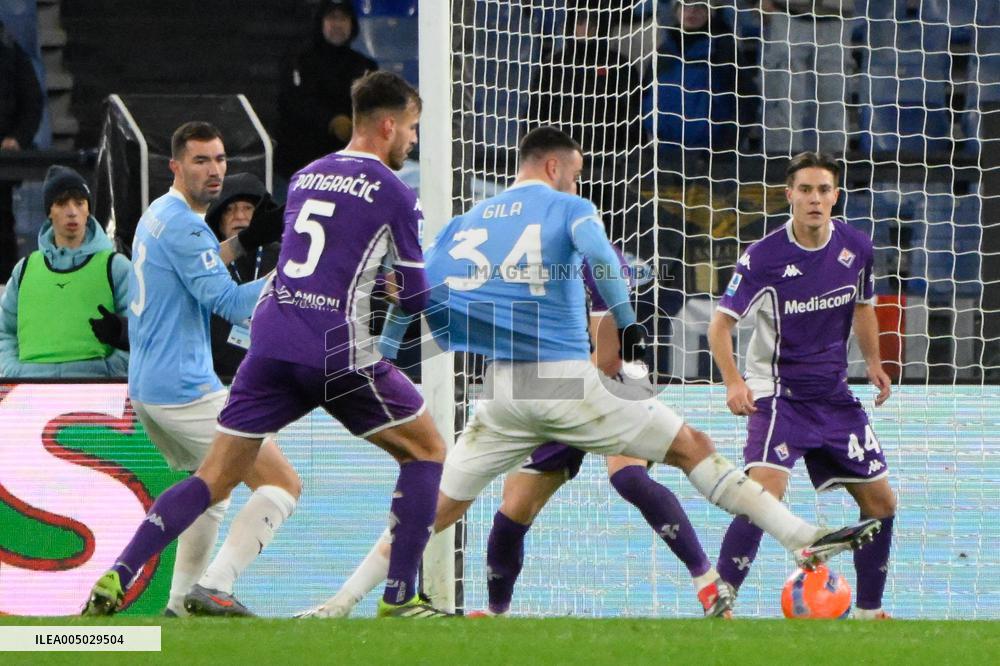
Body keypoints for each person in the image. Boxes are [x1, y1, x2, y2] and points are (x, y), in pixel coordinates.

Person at [299, 126, 881, 618]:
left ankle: (340, 603)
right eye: (575, 174)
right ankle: (799, 537)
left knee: (442, 506)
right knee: (689, 446)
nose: (577, 185)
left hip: (500, 389)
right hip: (560, 380)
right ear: (554, 167)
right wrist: (629, 326)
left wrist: (383, 352)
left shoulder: (467, 220)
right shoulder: (567, 208)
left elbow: (413, 296)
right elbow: (604, 262)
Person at [84, 72, 451, 619]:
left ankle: (124, 572)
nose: (414, 142)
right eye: (413, 129)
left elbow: (301, 266)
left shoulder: (305, 176)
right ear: (390, 124)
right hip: (333, 350)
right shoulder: (396, 192)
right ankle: (400, 597)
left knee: (213, 479)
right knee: (427, 451)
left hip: (270, 346)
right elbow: (417, 297)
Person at [298, 249, 727, 619]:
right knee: (507, 511)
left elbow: (608, 353)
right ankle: (486, 613)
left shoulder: (595, 258)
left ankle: (708, 582)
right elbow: (437, 311)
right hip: (544, 391)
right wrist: (406, 307)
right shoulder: (510, 267)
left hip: (603, 379)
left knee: (628, 476)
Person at [81, 121, 298, 618]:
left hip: (151, 385)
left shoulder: (161, 215)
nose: (215, 170)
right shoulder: (186, 224)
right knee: (282, 484)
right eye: (201, 160)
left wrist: (242, 246)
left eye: (220, 159)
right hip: (184, 387)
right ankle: (202, 584)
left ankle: (178, 604)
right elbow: (229, 302)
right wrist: (290, 271)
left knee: (213, 492)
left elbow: (194, 267)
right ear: (175, 166)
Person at [709, 152, 896, 620]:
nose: (815, 199)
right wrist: (733, 382)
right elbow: (719, 326)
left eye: (824, 190)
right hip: (778, 395)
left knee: (881, 502)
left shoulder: (856, 246)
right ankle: (720, 601)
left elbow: (863, 307)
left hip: (832, 395)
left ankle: (871, 613)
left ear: (836, 196)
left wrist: (874, 363)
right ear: (789, 194)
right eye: (806, 190)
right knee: (761, 498)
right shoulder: (763, 257)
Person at [0, 166, 129, 378]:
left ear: (88, 209)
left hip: (98, 392)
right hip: (30, 393)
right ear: (49, 211)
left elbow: (140, 330)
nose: (72, 212)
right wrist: (15, 372)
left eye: (79, 203)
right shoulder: (23, 269)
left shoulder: (116, 267)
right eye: (61, 203)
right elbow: (5, 331)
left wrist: (110, 372)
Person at [275, 0, 377, 180]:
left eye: (343, 19)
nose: (338, 24)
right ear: (320, 22)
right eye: (332, 18)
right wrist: (332, 122)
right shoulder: (299, 61)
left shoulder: (365, 66)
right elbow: (294, 103)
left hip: (350, 166)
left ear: (352, 24)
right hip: (303, 163)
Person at [642, 1, 750, 166]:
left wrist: (728, 142)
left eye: (699, 7)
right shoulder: (663, 51)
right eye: (685, 6)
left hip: (712, 157)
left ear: (709, 13)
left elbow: (747, 98)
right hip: (665, 154)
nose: (691, 12)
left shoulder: (724, 50)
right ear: (676, 11)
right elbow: (644, 96)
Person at [203, 172, 280, 379]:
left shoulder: (286, 258)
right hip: (216, 378)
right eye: (229, 210)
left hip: (276, 376)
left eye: (247, 208)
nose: (239, 216)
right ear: (218, 221)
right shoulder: (206, 262)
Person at [758, 0, 852, 155]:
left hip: (836, 17)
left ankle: (834, 173)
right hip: (786, 12)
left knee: (835, 109)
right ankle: (780, 174)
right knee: (783, 107)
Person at [0, 19, 44, 283]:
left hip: (3, 161)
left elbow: (32, 102)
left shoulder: (11, 54)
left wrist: (17, 138)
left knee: (2, 228)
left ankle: (5, 290)